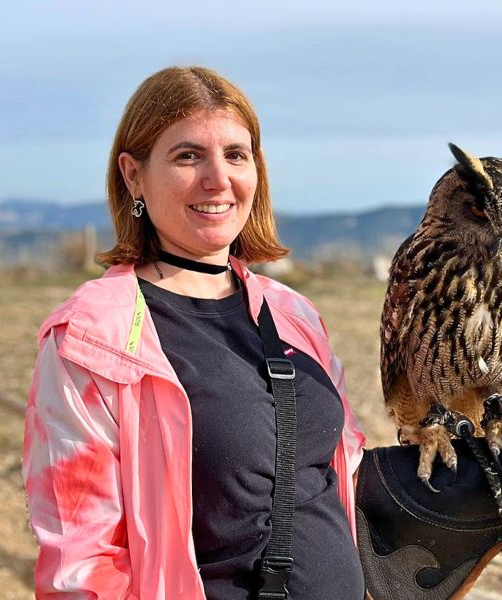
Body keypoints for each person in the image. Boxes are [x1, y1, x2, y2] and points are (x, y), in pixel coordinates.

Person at [22, 66, 367, 599]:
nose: (218, 179)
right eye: (188, 156)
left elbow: (340, 473)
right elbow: (82, 564)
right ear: (133, 176)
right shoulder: (95, 338)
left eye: (235, 154)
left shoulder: (293, 314)